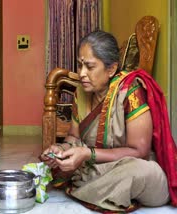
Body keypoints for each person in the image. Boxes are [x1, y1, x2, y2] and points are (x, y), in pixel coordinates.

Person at [40, 30, 177, 212]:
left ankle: (93, 189)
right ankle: (105, 191)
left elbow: (139, 152)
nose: (81, 74)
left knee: (137, 172)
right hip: (99, 168)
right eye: (80, 65)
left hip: (133, 166)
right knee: (76, 168)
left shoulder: (130, 91)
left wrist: (87, 154)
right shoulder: (80, 93)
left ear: (111, 69)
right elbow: (73, 137)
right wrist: (61, 150)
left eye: (89, 67)